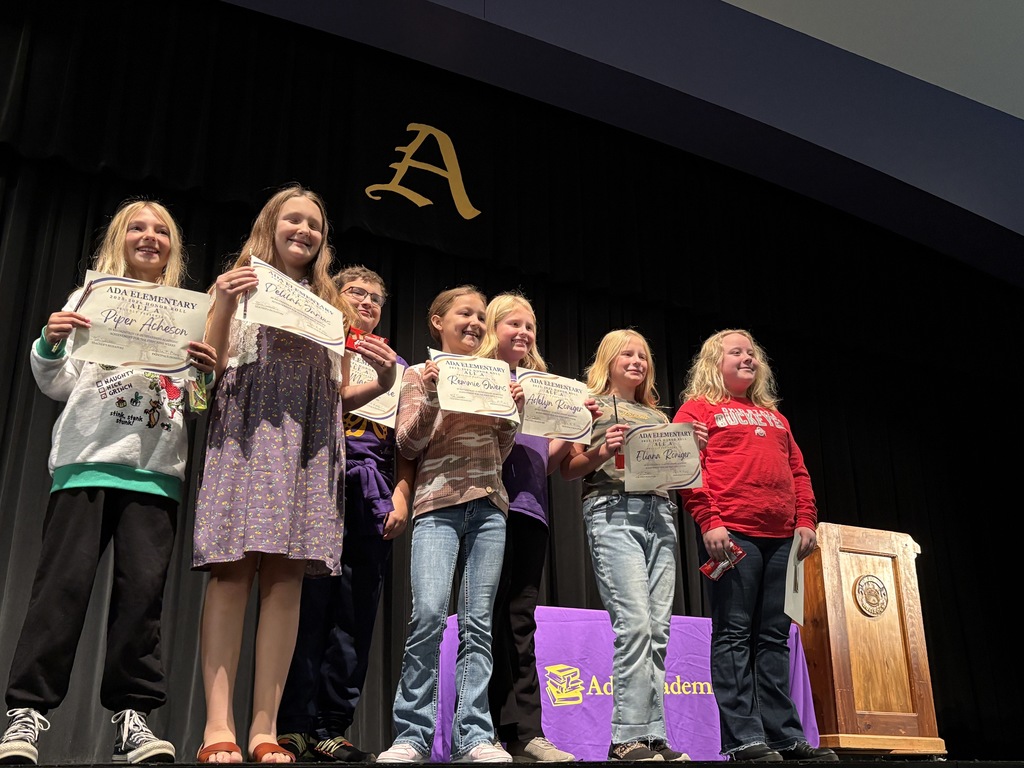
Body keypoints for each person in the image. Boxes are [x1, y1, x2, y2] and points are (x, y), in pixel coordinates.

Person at [0, 200, 217, 765]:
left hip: (155, 472)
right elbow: (56, 383)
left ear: (173, 247)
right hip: (87, 460)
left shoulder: (190, 313)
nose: (150, 237)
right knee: (60, 592)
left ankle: (133, 719)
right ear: (118, 239)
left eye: (162, 230)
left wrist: (203, 372)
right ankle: (27, 715)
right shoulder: (89, 299)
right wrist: (50, 342)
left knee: (141, 602)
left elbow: (194, 404)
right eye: (138, 228)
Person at [192, 185, 398, 764]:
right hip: (248, 433)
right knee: (232, 575)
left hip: (310, 442)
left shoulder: (329, 303)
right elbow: (204, 371)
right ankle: (216, 728)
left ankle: (263, 730)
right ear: (271, 224)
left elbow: (335, 391)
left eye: (315, 224)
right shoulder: (237, 282)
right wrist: (227, 304)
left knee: (286, 583)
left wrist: (381, 384)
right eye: (294, 220)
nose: (304, 231)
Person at [672, 329, 837, 764]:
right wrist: (709, 520)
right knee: (733, 636)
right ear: (715, 362)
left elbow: (798, 472)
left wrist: (805, 520)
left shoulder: (775, 417)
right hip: (734, 534)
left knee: (774, 637)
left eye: (752, 353)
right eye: (737, 352)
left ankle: (784, 735)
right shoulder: (697, 409)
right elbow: (688, 469)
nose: (747, 358)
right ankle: (743, 739)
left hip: (783, 539)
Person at [376, 286, 522, 764]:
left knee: (478, 624)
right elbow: (408, 444)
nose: (476, 323)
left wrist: (512, 417)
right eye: (466, 313)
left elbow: (499, 453)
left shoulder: (495, 376)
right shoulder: (419, 374)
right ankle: (412, 736)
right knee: (429, 617)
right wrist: (435, 395)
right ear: (437, 320)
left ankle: (474, 736)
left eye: (482, 316)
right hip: (436, 506)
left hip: (489, 507)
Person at [276, 265, 414, 763]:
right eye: (358, 292)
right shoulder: (318, 346)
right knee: (306, 605)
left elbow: (405, 445)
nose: (369, 302)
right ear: (336, 295)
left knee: (355, 612)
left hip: (373, 490)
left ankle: (331, 726)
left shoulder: (396, 364)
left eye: (378, 297)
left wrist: (400, 497)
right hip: (319, 478)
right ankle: (290, 724)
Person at [560, 329, 701, 763]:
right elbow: (568, 469)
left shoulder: (661, 419)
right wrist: (604, 448)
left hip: (660, 514)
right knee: (635, 624)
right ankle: (625, 737)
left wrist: (691, 450)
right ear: (608, 359)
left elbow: (677, 477)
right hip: (613, 511)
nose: (637, 361)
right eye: (627, 353)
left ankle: (654, 736)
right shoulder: (591, 405)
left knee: (659, 630)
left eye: (643, 355)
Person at [475, 293, 585, 763]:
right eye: (512, 324)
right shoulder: (478, 375)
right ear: (491, 327)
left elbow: (544, 462)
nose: (523, 333)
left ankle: (527, 733)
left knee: (521, 621)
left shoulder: (542, 386)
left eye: (529, 326)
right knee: (486, 618)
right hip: (485, 507)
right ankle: (481, 728)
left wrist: (576, 427)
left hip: (530, 509)